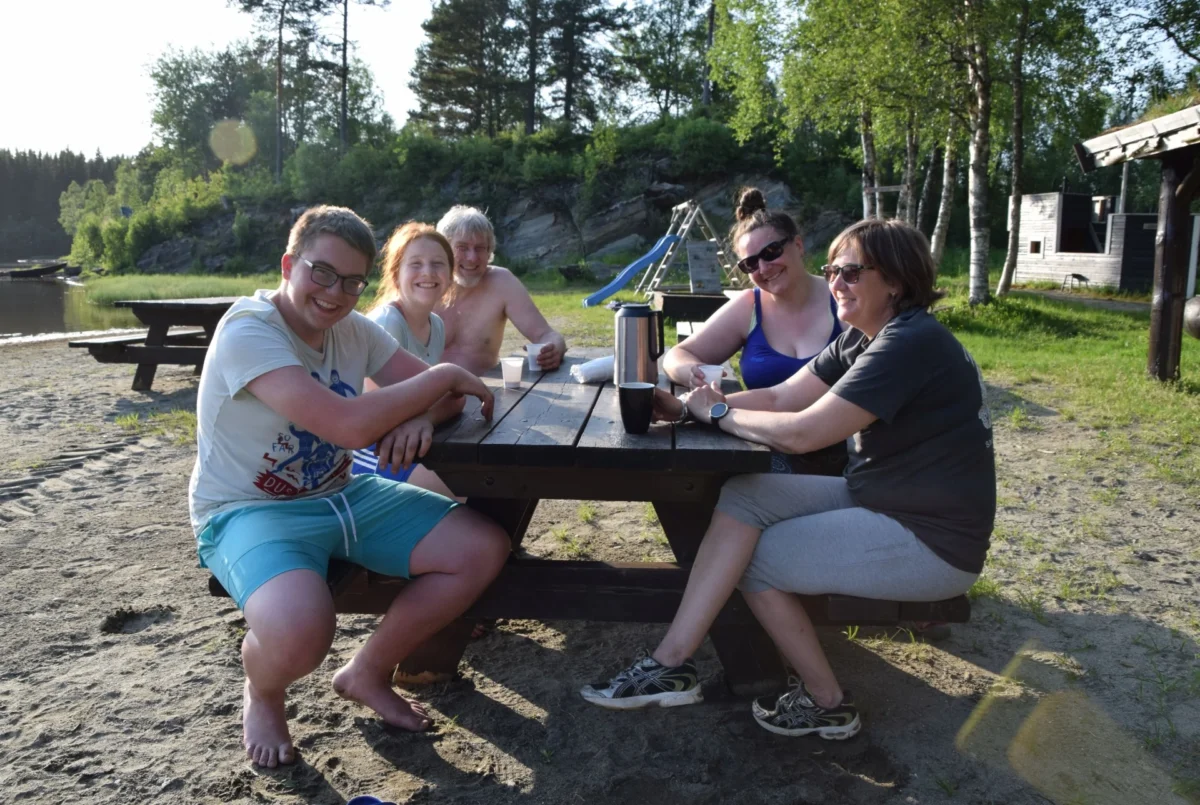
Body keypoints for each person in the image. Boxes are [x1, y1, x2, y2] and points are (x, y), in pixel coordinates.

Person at [581, 219, 995, 741]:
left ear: (895, 281)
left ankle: (827, 702)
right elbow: (782, 397)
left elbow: (801, 433)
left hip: (931, 541)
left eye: (850, 272)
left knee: (759, 557)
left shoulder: (909, 343)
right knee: (747, 495)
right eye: (833, 271)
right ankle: (673, 664)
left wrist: (718, 416)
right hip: (885, 501)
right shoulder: (867, 337)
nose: (837, 283)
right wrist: (691, 408)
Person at [190, 206, 511, 768]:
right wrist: (435, 382)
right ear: (290, 265)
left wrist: (418, 416)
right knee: (301, 635)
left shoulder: (353, 329)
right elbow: (346, 423)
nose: (335, 293)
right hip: (247, 510)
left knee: (481, 549)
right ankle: (263, 692)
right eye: (321, 272)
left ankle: (366, 670)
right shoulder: (249, 329)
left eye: (351, 281)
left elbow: (451, 398)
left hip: (344, 494)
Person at [663, 188, 846, 475]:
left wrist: (700, 409)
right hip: (765, 446)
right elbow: (678, 355)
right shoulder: (749, 305)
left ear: (798, 245)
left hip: (842, 457)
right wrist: (694, 374)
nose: (764, 267)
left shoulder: (844, 301)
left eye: (771, 252)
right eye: (750, 263)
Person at [349, 221, 459, 499]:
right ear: (396, 273)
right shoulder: (387, 322)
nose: (428, 272)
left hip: (404, 439)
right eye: (416, 264)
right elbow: (376, 412)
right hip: (366, 449)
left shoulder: (436, 324)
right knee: (460, 491)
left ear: (449, 274)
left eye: (437, 264)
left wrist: (426, 418)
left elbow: (442, 395)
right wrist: (426, 414)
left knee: (479, 481)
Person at [434, 205, 567, 374]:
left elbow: (546, 335)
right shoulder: (426, 285)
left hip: (485, 392)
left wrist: (554, 349)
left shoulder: (502, 283)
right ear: (444, 249)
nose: (472, 257)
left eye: (480, 248)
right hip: (427, 395)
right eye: (462, 247)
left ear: (490, 250)